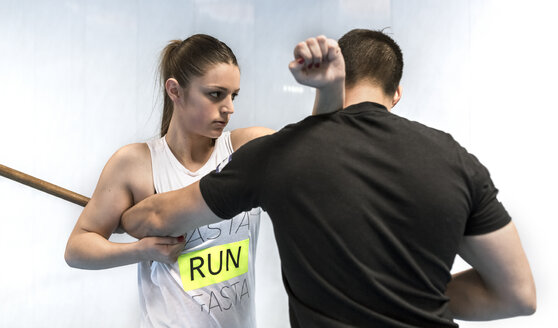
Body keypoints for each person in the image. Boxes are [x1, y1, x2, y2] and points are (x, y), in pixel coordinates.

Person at [120, 29, 536, 327]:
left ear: (341, 80)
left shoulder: (278, 155)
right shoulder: (457, 161)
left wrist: (125, 217)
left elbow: (153, 218)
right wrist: (407, 295)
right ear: (396, 93)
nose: (227, 108)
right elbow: (517, 295)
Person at [64, 33, 344, 327]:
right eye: (215, 94)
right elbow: (78, 248)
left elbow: (317, 148)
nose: (229, 108)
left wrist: (328, 87)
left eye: (233, 95)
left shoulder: (247, 148)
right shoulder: (135, 163)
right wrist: (141, 250)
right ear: (175, 90)